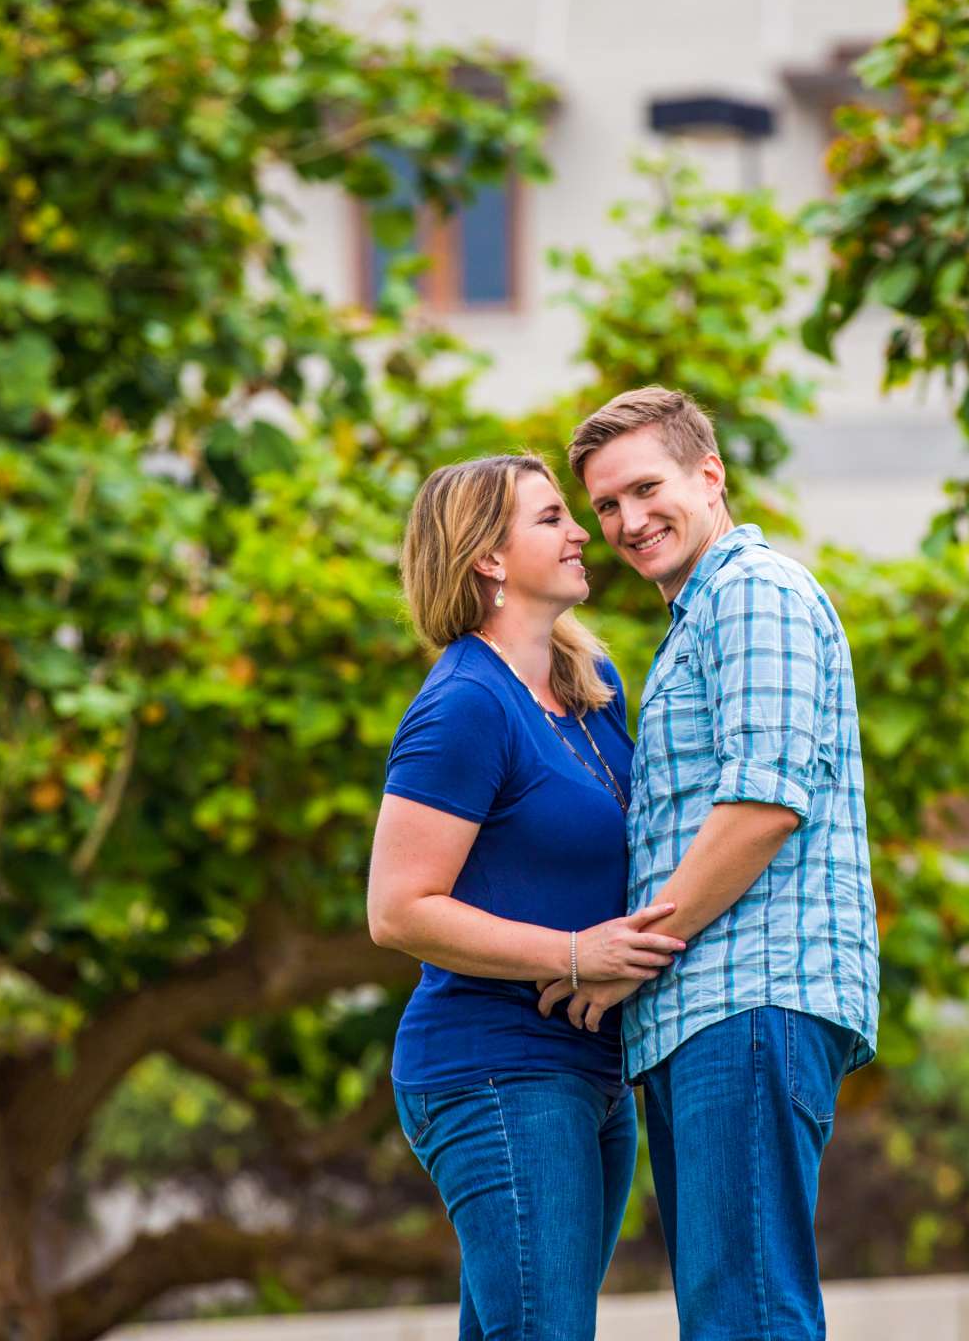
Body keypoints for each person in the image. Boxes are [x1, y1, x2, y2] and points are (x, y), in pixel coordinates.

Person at [543, 387, 880, 1341]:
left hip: (750, 997)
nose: (627, 520)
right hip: (709, 1011)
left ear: (710, 475)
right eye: (605, 506)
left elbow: (764, 803)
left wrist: (625, 960)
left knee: (748, 1316)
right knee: (730, 1311)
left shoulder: (752, 591)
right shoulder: (700, 617)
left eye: (646, 488)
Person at [367, 452, 684, 1341]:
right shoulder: (465, 706)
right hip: (496, 1069)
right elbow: (397, 909)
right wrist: (575, 955)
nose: (584, 530)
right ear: (488, 560)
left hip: (592, 1073)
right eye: (552, 518)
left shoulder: (593, 689)